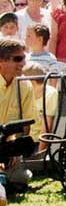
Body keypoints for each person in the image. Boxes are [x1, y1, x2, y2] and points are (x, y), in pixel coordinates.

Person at [0, 38, 36, 190]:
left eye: (24, 58)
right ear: (1, 61)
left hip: (6, 146)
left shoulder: (24, 85)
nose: (23, 63)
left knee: (21, 177)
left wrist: (15, 150)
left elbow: (28, 123)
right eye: (18, 59)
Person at [21, 61, 57, 153]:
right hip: (22, 141)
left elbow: (47, 127)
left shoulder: (50, 94)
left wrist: (40, 154)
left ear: (31, 82)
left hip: (37, 143)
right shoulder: (23, 94)